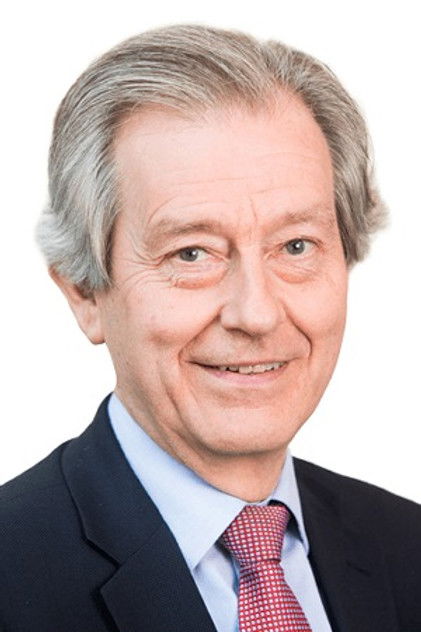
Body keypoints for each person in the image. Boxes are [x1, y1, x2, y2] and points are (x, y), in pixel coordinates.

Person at [0, 23, 420, 632]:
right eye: (192, 254)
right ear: (85, 292)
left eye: (296, 246)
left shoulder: (408, 547)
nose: (257, 314)